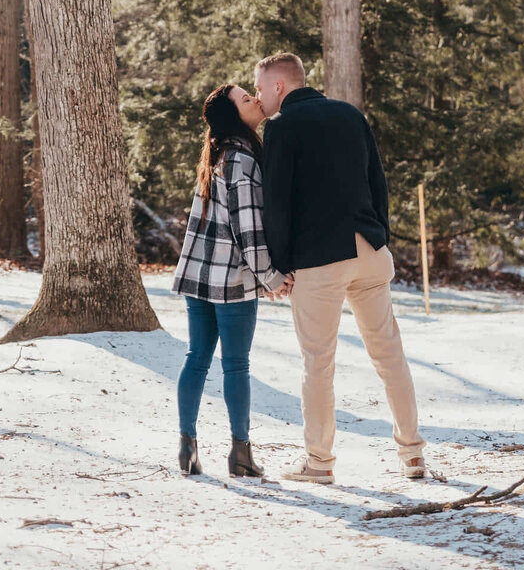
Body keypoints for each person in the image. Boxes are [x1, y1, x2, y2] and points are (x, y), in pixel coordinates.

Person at [254, 53, 426, 484]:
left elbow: (276, 203)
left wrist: (279, 263)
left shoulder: (280, 128)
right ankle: (413, 454)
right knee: (390, 355)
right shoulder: (350, 114)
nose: (257, 97)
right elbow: (377, 182)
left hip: (319, 260)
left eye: (259, 88)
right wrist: (379, 233)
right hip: (368, 249)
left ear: (279, 87)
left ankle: (319, 462)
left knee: (318, 363)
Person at [171, 84, 293, 478]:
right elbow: (249, 230)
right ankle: (241, 454)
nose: (256, 101)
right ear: (234, 116)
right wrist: (271, 277)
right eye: (246, 99)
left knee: (197, 358)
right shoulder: (241, 159)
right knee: (236, 365)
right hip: (232, 280)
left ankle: (186, 445)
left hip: (198, 275)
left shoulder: (218, 154)